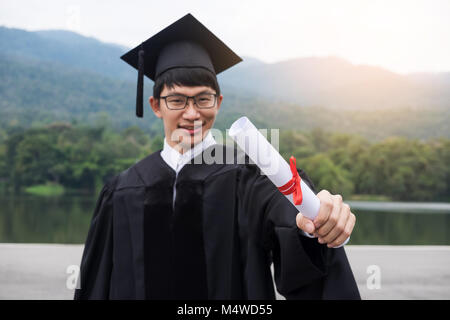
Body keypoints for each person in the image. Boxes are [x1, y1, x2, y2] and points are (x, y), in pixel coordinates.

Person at [74, 13, 360, 300]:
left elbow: (290, 213)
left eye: (203, 99)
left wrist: (317, 219)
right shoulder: (122, 189)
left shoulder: (249, 177)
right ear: (156, 105)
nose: (191, 113)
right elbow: (96, 284)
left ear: (218, 102)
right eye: (177, 100)